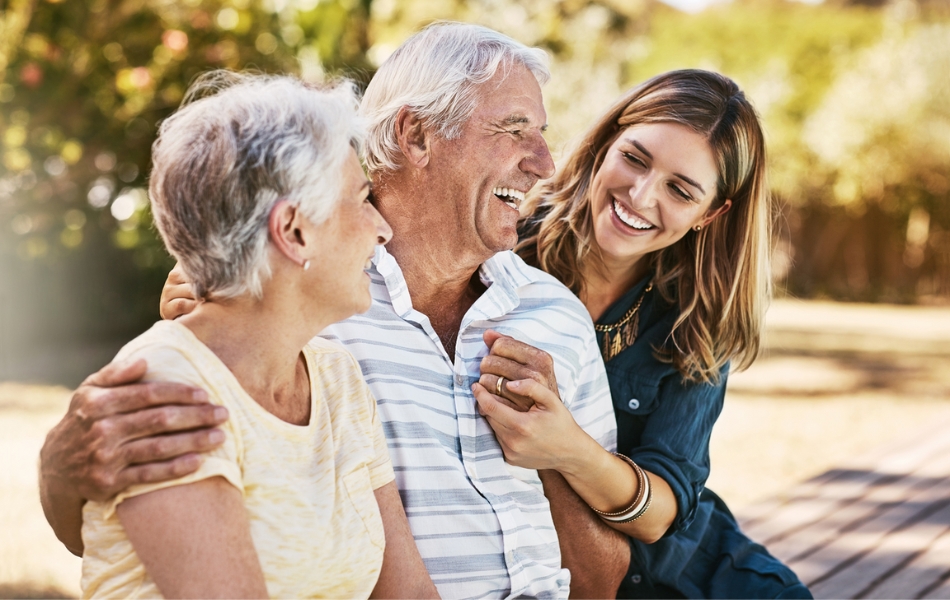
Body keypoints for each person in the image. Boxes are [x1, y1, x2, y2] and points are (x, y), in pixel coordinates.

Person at [39, 23, 629, 598]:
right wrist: (60, 468)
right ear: (416, 135)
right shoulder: (267, 326)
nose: (545, 163)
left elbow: (590, 579)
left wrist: (558, 450)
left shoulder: (337, 373)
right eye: (513, 128)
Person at [69, 71, 439, 598]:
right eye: (361, 200)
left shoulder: (337, 379)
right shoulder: (165, 388)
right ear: (293, 231)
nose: (383, 229)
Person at [471, 70, 812, 598]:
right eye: (635, 158)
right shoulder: (504, 247)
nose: (641, 195)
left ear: (711, 213)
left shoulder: (698, 315)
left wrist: (567, 449)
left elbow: (663, 511)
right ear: (607, 142)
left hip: (693, 570)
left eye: (680, 190)